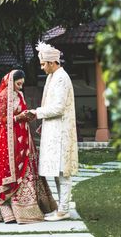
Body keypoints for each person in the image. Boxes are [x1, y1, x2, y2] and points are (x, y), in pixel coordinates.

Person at [0, 70, 57, 224]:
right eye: (18, 84)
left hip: (24, 139)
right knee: (3, 172)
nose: (20, 87)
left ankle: (30, 208)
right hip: (9, 141)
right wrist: (18, 117)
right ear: (10, 82)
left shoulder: (19, 95)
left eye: (22, 84)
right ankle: (6, 212)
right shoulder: (3, 96)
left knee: (28, 169)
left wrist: (27, 115)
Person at [28, 42, 79, 221]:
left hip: (61, 131)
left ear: (52, 62)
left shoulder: (61, 78)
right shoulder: (53, 77)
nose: (42, 67)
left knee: (63, 172)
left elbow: (57, 108)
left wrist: (36, 113)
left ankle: (64, 209)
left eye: (43, 64)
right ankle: (62, 207)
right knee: (57, 172)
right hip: (54, 130)